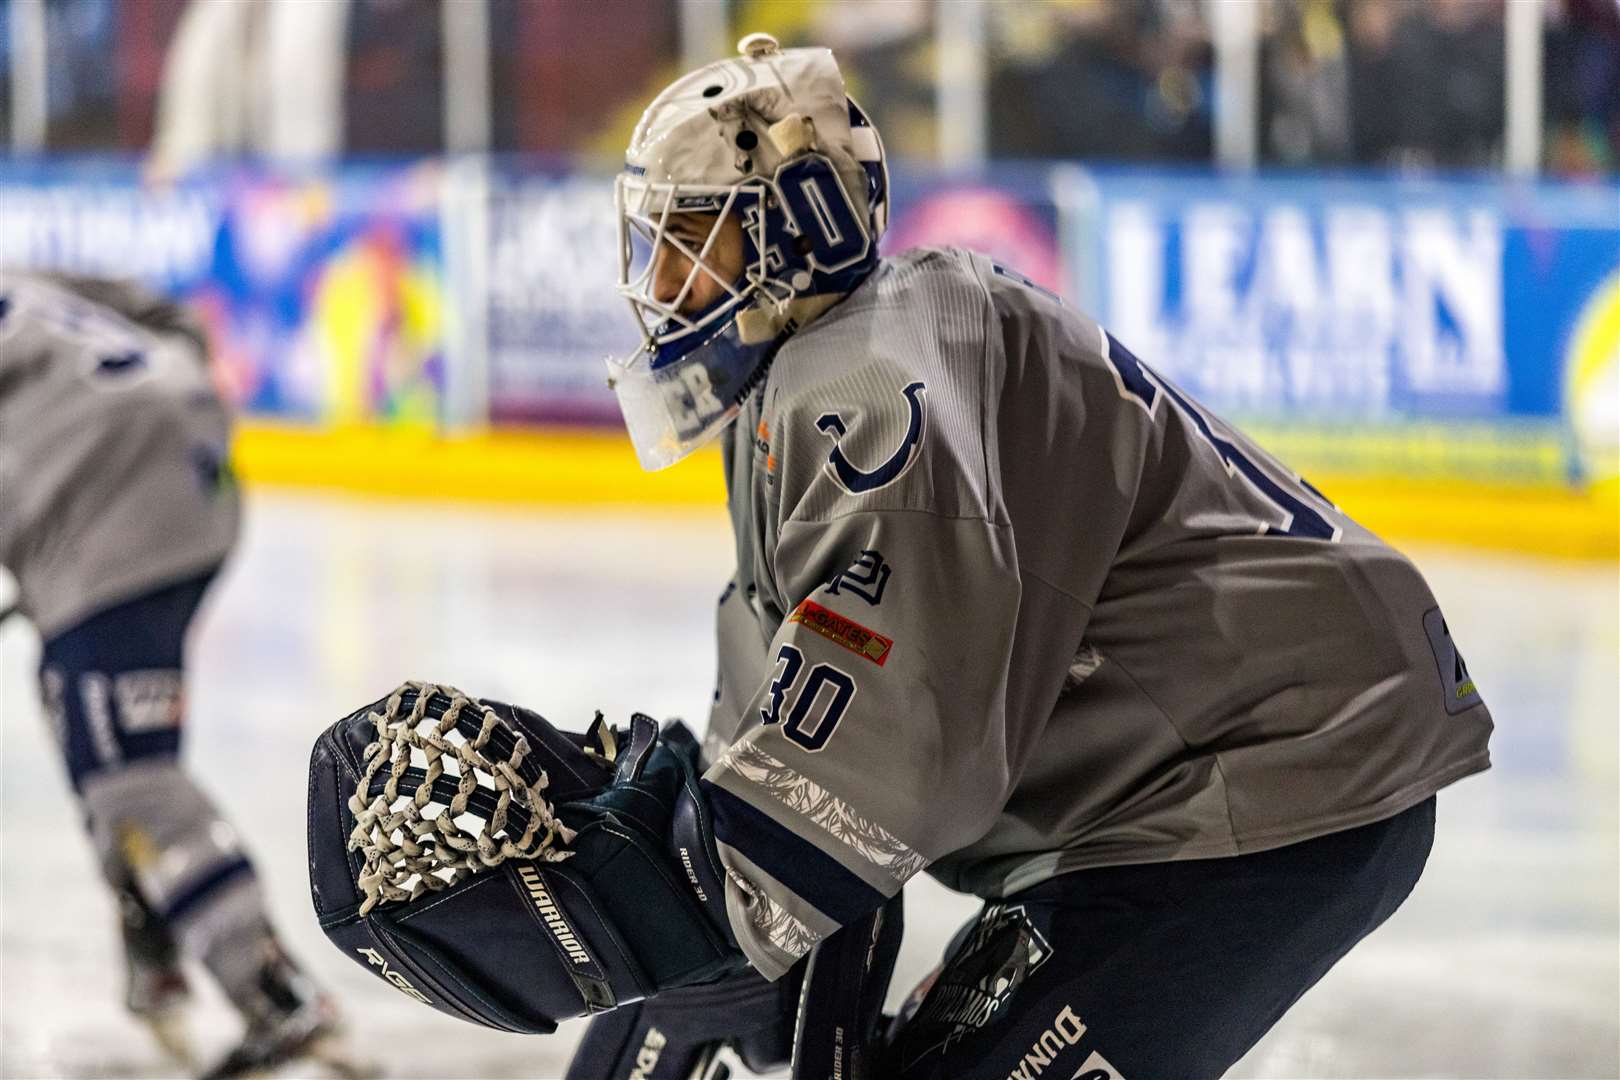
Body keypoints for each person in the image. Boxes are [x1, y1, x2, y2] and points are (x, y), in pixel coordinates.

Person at [576, 32, 1494, 1078]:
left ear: (801, 228)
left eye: (692, 236)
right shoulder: (790, 390)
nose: (658, 277)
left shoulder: (872, 379)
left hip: (1272, 774)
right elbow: (786, 713)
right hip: (1170, 787)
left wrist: (634, 912)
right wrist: (699, 900)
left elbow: (897, 764)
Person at [0, 273, 357, 1079]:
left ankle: (276, 994)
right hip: (190, 464)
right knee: (85, 715)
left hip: (100, 514)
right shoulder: (18, 277)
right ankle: (152, 927)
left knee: (130, 779)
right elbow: (167, 316)